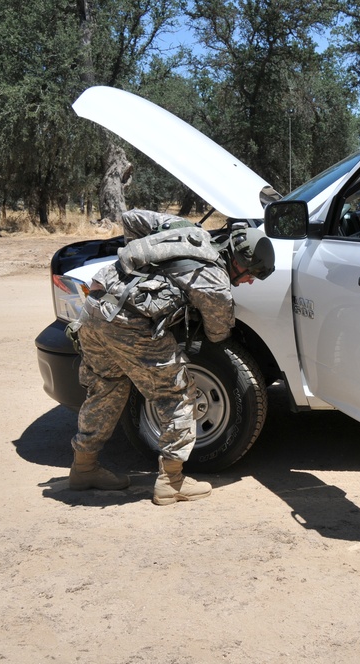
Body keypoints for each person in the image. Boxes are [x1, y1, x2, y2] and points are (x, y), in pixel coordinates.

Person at [66, 209, 274, 505]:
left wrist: (145, 267)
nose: (249, 282)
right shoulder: (214, 281)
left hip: (95, 308)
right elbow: (217, 334)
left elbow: (132, 218)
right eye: (250, 275)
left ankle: (84, 468)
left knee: (107, 386)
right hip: (129, 324)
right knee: (177, 394)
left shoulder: (187, 231)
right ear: (239, 263)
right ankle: (171, 483)